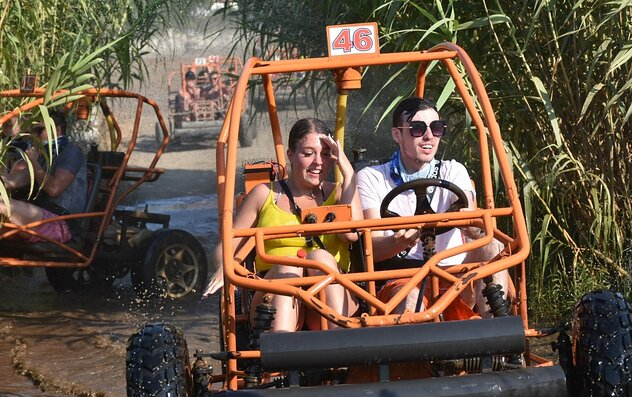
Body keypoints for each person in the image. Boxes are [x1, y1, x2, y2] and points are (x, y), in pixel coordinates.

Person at [203, 118, 362, 332]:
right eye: (308, 154)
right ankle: (282, 350)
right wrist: (226, 264)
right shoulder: (264, 194)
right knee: (288, 265)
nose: (318, 162)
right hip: (274, 296)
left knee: (320, 259)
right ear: (291, 156)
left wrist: (348, 171)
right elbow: (224, 250)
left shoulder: (341, 192)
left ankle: (341, 351)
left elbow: (353, 235)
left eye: (325, 154)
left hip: (327, 302)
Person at [356, 97, 509, 318]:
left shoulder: (453, 172)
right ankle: (417, 348)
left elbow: (475, 225)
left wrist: (470, 225)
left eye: (437, 128)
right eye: (418, 129)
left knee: (492, 244)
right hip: (404, 278)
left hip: (455, 276)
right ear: (397, 135)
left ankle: (499, 342)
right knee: (409, 297)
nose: (429, 136)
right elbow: (372, 247)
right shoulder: (372, 178)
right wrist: (398, 241)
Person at [0, 109, 87, 243]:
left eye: (39, 130)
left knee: (1, 206)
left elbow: (54, 189)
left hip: (60, 222)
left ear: (56, 131)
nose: (35, 135)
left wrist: (34, 163)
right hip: (40, 213)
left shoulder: (71, 152)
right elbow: (12, 182)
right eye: (34, 131)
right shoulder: (43, 156)